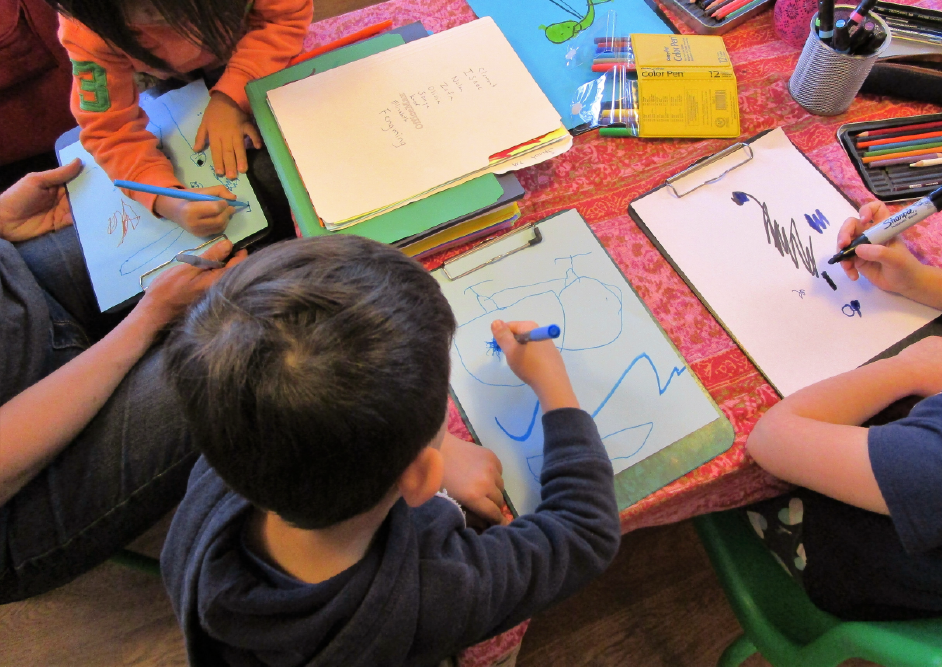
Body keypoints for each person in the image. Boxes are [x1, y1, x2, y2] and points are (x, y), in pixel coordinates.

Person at [159, 236, 621, 666]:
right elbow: (585, 532)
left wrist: (426, 449)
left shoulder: (228, 454)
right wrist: (555, 389)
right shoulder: (433, 593)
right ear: (418, 480)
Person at [0, 161, 246, 603]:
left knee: (245, 200)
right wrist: (149, 317)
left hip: (18, 290)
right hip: (18, 478)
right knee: (242, 343)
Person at [745, 200, 942, 621]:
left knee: (734, 461)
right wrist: (917, 281)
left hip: (842, 549)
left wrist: (909, 369)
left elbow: (771, 440)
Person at [46, 0, 311, 236]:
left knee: (282, 170)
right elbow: (109, 131)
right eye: (141, 10)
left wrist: (231, 96)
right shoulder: (87, 29)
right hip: (165, 78)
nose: (155, 15)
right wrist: (166, 199)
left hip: (250, 43)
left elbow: (283, 18)